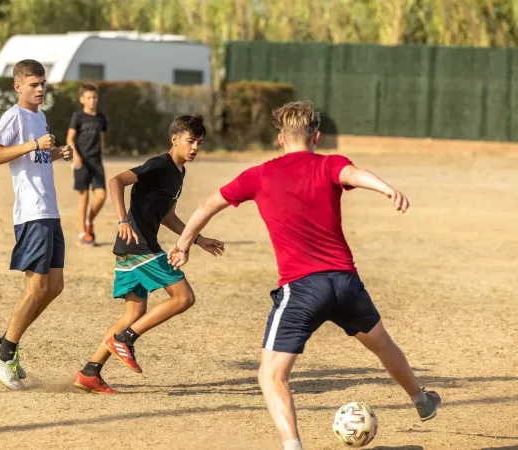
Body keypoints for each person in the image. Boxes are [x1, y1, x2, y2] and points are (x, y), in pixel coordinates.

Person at [168, 102, 441, 450]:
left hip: (303, 289)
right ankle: (421, 400)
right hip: (345, 283)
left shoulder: (260, 174)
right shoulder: (329, 164)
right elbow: (355, 174)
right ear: (317, 136)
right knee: (383, 344)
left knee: (271, 375)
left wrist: (184, 244)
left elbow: (208, 205)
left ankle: (293, 446)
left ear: (280, 139)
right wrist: (386, 188)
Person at [73, 114, 225, 394]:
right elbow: (117, 181)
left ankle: (90, 372)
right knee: (183, 297)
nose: (195, 148)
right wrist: (122, 220)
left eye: (199, 143)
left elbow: (168, 215)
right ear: (175, 139)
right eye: (190, 141)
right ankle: (127, 340)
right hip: (138, 246)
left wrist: (198, 239)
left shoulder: (178, 173)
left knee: (133, 313)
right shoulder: (159, 165)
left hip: (132, 249)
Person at [0, 59, 73, 390]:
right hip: (32, 213)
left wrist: (56, 153)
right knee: (36, 288)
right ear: (18, 86)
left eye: (43, 84)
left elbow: (35, 158)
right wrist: (35, 144)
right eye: (33, 84)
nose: (40, 89)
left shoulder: (39, 117)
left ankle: (6, 343)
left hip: (50, 212)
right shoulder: (14, 116)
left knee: (55, 286)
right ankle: (4, 353)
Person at [66, 84, 108, 246]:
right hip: (81, 161)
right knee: (83, 198)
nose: (92, 101)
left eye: (95, 97)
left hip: (96, 162)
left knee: (101, 196)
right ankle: (83, 232)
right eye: (89, 98)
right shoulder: (78, 116)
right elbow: (70, 138)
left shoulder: (101, 118)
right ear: (82, 99)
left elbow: (102, 139)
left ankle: (90, 221)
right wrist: (75, 156)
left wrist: (101, 155)